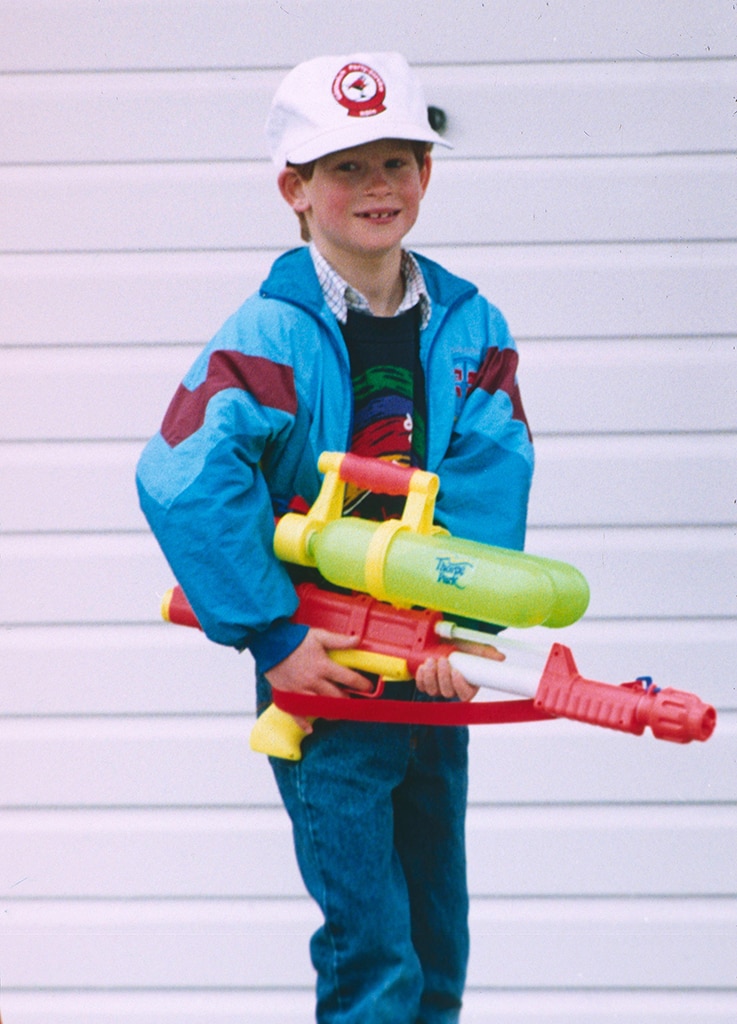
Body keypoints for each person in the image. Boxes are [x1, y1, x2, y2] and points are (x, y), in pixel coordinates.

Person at [136, 51, 534, 1024]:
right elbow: (183, 473)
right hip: (326, 668)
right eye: (346, 167)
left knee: (436, 940)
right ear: (295, 189)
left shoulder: (467, 323)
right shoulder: (267, 332)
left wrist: (459, 626)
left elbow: (490, 473)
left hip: (422, 665)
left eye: (395, 162)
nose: (376, 188)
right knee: (372, 951)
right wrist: (274, 636)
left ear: (425, 176)